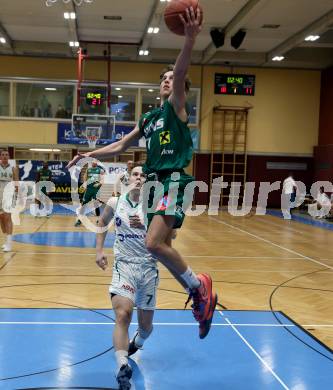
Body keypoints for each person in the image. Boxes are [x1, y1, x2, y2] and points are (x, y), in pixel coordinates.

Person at [68, 7, 217, 338]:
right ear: (157, 87)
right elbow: (121, 146)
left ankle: (199, 287)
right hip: (154, 185)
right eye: (163, 78)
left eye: (171, 78)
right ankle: (199, 293)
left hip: (174, 179)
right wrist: (89, 154)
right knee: (160, 245)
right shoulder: (149, 120)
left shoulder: (177, 107)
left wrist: (190, 40)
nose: (168, 80)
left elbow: (180, 75)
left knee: (152, 244)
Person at [96, 164, 157, 390]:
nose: (139, 178)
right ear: (129, 177)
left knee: (146, 327)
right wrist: (99, 251)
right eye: (135, 174)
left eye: (142, 175)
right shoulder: (115, 202)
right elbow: (102, 223)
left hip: (148, 269)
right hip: (124, 266)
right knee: (123, 314)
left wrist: (147, 226)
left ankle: (138, 342)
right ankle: (122, 366)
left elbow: (173, 234)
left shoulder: (153, 207)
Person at [75, 161, 105, 226]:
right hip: (88, 189)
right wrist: (84, 185)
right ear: (91, 163)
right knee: (83, 205)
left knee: (96, 205)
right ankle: (80, 220)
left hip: (96, 190)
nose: (94, 163)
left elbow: (102, 180)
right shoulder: (88, 170)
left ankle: (98, 219)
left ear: (97, 163)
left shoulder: (100, 170)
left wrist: (99, 183)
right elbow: (85, 178)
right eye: (93, 162)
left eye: (95, 162)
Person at [0, 149, 19, 252]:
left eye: (6, 155)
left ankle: (9, 244)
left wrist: (16, 196)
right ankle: (5, 241)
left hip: (8, 195)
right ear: (0, 156)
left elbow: (16, 183)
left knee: (7, 217)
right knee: (1, 219)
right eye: (3, 155)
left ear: (9, 157)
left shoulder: (13, 168)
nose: (4, 156)